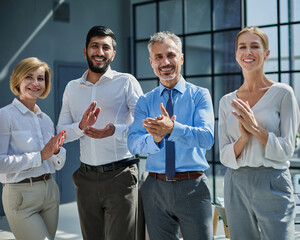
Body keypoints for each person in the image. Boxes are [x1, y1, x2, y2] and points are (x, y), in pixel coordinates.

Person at [57, 25, 143, 240]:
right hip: (86, 177)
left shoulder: (126, 82)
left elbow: (143, 126)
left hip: (121, 176)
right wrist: (80, 127)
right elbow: (61, 133)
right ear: (85, 50)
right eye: (95, 46)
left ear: (113, 53)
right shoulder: (71, 87)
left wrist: (114, 131)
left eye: (106, 47)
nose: (100, 52)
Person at [128, 31, 215, 240]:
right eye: (158, 57)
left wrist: (172, 129)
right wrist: (155, 139)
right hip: (154, 189)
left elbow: (207, 138)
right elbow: (133, 143)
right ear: (151, 62)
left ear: (181, 58)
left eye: (171, 55)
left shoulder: (200, 95)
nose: (165, 62)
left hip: (192, 187)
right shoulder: (145, 102)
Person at [218, 26, 300, 240]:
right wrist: (244, 138)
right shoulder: (227, 101)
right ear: (236, 54)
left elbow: (286, 150)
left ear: (266, 54)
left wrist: (255, 129)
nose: (248, 52)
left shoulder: (283, 93)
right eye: (242, 47)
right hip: (236, 183)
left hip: (273, 181)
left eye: (255, 46)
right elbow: (225, 155)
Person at [0, 57, 66, 240]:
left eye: (41, 78)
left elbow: (57, 164)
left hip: (50, 191)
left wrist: (57, 151)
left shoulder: (45, 120)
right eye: (29, 77)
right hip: (21, 196)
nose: (36, 83)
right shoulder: (4, 116)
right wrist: (40, 155)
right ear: (18, 80)